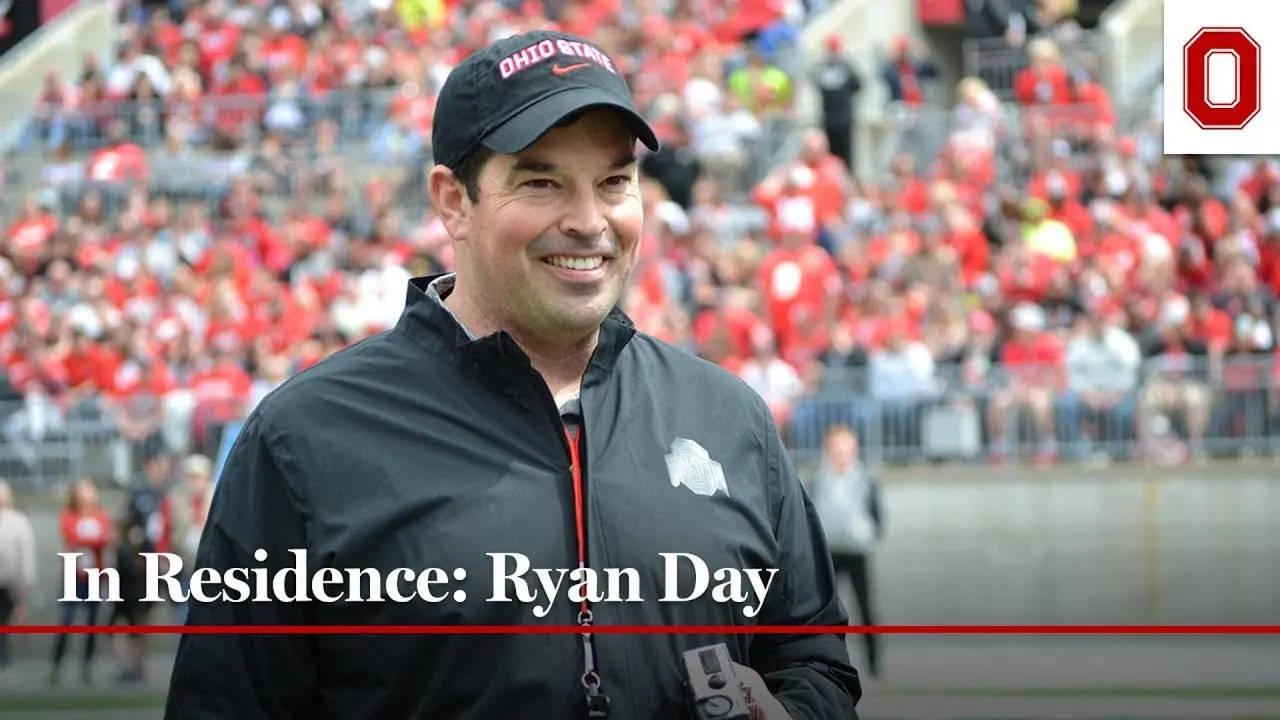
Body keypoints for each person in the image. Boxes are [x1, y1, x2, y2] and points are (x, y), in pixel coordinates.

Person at [166, 29, 860, 720]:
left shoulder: (726, 415)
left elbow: (813, 659)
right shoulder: (304, 441)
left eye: (614, 181)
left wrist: (787, 711)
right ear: (452, 202)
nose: (589, 221)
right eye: (540, 182)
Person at [808, 426, 883, 678]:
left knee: (866, 609)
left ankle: (875, 665)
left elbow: (877, 515)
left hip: (857, 553)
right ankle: (827, 663)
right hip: (828, 554)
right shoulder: (819, 480)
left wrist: (867, 536)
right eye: (836, 449)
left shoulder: (865, 479)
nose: (842, 454)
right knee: (825, 612)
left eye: (846, 448)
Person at [111, 453, 172, 683]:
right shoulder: (139, 495)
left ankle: (139, 664)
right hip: (139, 568)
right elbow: (126, 526)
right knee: (131, 619)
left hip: (162, 564)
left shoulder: (167, 495)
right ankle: (132, 665)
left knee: (147, 616)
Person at [50, 478, 111, 686]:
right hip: (72, 577)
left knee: (92, 625)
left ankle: (87, 667)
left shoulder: (100, 516)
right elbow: (71, 537)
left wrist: (88, 540)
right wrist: (90, 540)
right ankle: (56, 666)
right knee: (66, 623)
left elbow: (104, 540)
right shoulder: (69, 516)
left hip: (94, 576)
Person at [0, 478, 35, 674]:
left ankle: (4, 658)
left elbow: (25, 555)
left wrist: (24, 583)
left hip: (9, 582)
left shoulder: (18, 521)